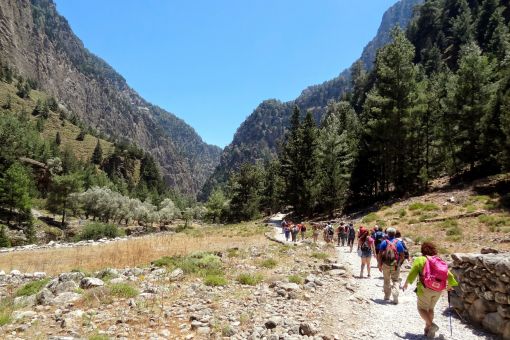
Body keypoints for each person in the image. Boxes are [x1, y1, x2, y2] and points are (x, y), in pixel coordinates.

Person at [403, 242, 458, 338]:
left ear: (422, 250)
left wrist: (406, 283)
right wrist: (450, 285)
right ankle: (428, 330)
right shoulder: (438, 260)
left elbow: (413, 272)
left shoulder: (420, 259)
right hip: (438, 289)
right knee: (431, 309)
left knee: (421, 308)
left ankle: (432, 326)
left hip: (425, 288)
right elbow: (449, 274)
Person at [377, 227, 405, 304]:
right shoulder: (398, 242)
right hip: (395, 264)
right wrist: (399, 264)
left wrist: (379, 264)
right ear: (395, 233)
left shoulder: (384, 242)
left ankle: (386, 297)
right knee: (395, 280)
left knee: (386, 280)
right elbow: (402, 255)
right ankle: (395, 297)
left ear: (387, 233)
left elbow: (379, 255)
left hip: (385, 264)